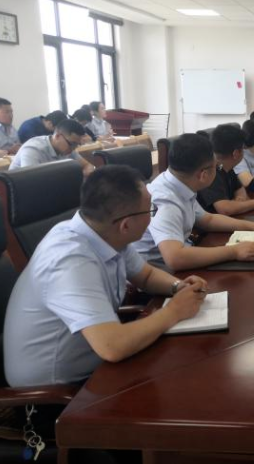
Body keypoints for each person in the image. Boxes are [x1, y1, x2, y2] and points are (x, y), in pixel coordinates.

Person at [3, 165, 209, 387]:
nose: (153, 216)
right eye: (151, 210)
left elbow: (146, 276)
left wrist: (178, 286)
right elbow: (112, 346)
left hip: (98, 358)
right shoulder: (68, 261)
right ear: (126, 225)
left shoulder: (105, 233)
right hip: (60, 389)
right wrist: (174, 311)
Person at [134, 133, 254, 271]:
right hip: (162, 274)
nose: (219, 170)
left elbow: (208, 220)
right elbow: (175, 258)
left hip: (183, 258)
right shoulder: (166, 201)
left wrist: (252, 226)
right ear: (203, 175)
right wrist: (234, 252)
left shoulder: (177, 183)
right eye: (217, 167)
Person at [198, 124, 254, 215]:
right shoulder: (211, 172)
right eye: (242, 149)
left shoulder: (228, 168)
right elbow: (224, 209)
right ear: (236, 153)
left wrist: (239, 200)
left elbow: (241, 192)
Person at [9, 119, 95, 177]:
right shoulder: (33, 149)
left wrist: (85, 173)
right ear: (57, 136)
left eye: (77, 144)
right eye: (72, 144)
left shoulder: (68, 148)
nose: (74, 148)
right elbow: (31, 182)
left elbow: (87, 165)